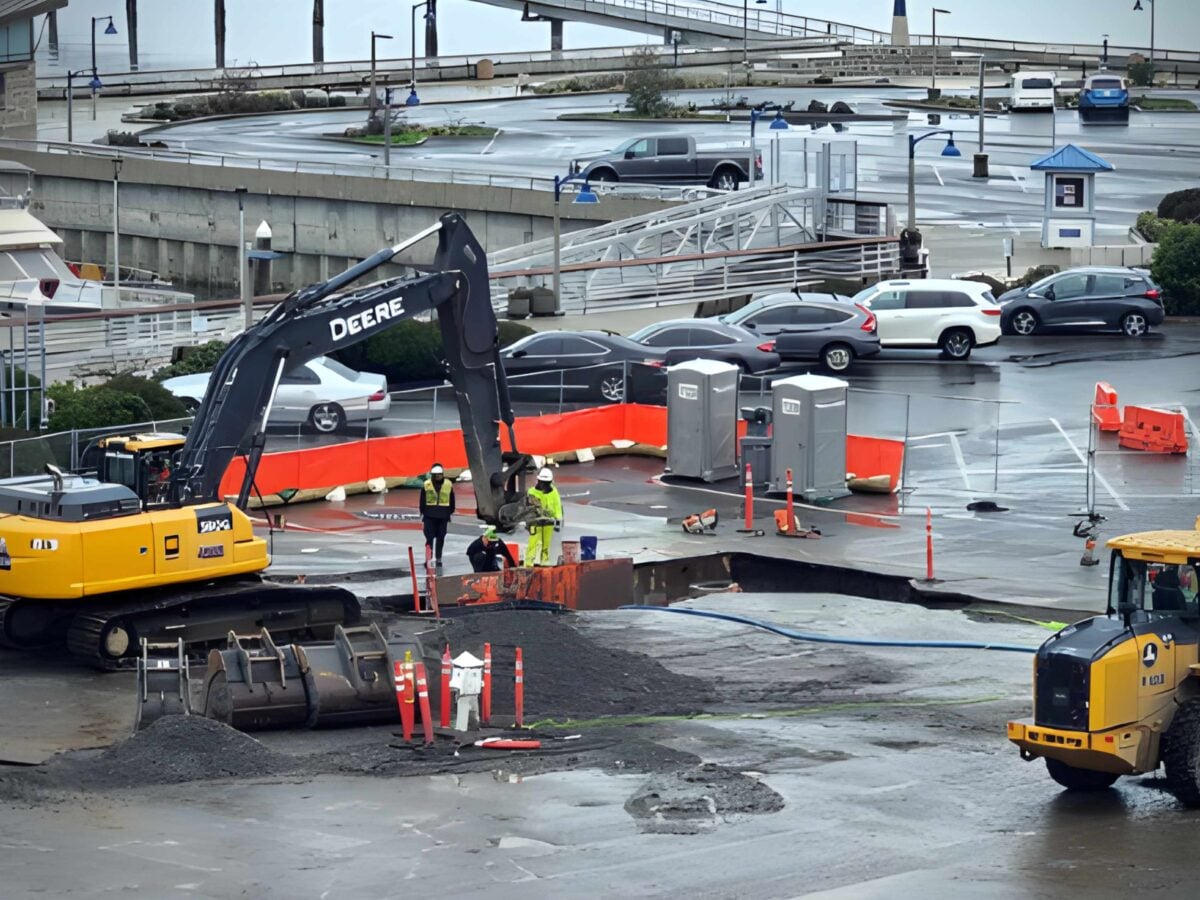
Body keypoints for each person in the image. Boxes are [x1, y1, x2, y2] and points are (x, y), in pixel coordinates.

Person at [419, 462, 455, 568]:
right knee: (429, 538)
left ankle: (438, 558)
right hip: (429, 516)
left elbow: (452, 500)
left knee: (441, 538)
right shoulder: (426, 485)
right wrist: (423, 513)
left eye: (439, 474)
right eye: (436, 475)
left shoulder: (448, 484)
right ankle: (428, 559)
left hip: (443, 516)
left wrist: (449, 513)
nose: (438, 476)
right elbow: (422, 501)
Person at [526, 467, 562, 567]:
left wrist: (558, 519)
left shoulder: (554, 492)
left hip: (549, 522)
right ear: (539, 481)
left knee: (546, 546)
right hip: (535, 522)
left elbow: (557, 505)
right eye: (543, 482)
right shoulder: (532, 492)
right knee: (533, 545)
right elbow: (531, 508)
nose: (544, 485)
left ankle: (544, 563)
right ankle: (529, 564)